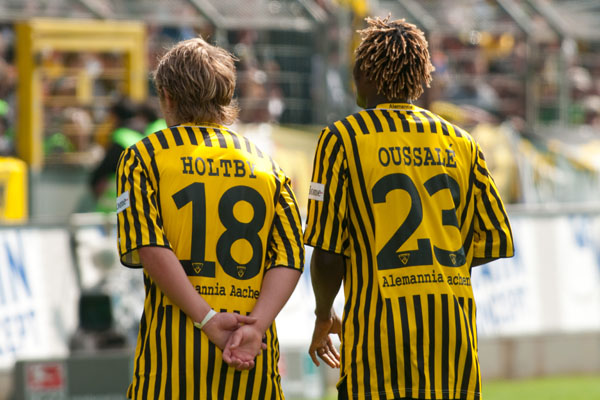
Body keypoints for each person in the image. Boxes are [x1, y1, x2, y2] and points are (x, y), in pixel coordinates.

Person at [304, 16, 514, 400]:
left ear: (363, 74)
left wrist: (323, 314)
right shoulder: (461, 142)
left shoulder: (342, 139)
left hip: (379, 341)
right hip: (453, 339)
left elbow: (329, 251)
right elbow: (494, 238)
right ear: (421, 77)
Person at [115, 37, 304, 399]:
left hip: (171, 367)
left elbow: (150, 247)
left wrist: (207, 319)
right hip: (251, 360)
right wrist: (257, 327)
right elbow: (289, 258)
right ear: (227, 96)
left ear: (167, 96)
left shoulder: (143, 157)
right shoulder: (267, 165)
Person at [90, 97, 144, 212]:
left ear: (115, 116)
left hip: (116, 207)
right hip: (138, 204)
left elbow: (100, 175)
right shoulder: (141, 136)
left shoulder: (119, 138)